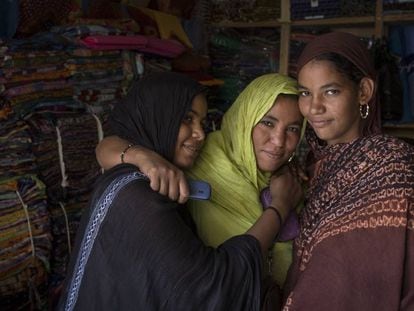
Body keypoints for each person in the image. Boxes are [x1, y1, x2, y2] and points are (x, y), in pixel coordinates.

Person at [57, 72, 302, 311]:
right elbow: (210, 287)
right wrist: (280, 206)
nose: (200, 133)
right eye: (187, 118)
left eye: (293, 129)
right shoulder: (144, 193)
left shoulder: (173, 171)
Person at [282, 32, 414, 310]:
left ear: (363, 91)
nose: (314, 107)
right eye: (305, 93)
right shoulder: (306, 165)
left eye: (330, 91)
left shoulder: (390, 164)